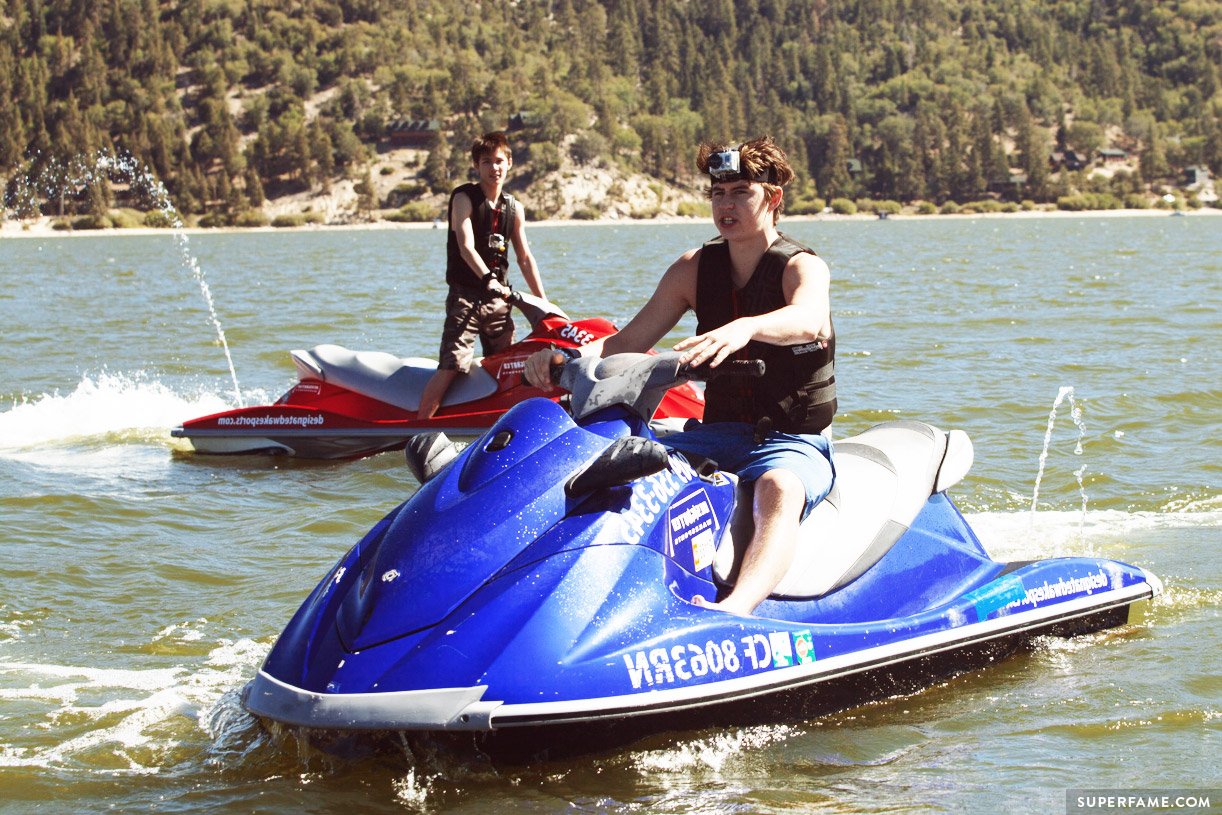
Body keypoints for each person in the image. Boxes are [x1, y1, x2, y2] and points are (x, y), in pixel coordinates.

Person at [524, 136, 836, 616]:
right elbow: (624, 342)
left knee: (779, 487)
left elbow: (810, 318)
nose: (725, 205)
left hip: (791, 438)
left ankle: (738, 607)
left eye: (740, 193)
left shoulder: (802, 267)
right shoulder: (693, 269)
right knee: (614, 465)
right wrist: (561, 357)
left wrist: (747, 327)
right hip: (715, 435)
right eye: (717, 194)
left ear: (772, 198)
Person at [418, 132, 547, 420]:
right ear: (477, 165)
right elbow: (465, 247)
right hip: (465, 298)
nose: (494, 168)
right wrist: (487, 277)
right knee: (452, 365)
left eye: (499, 161)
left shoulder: (514, 208)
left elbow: (524, 258)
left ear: (510, 163)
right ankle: (418, 430)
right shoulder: (464, 198)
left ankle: (499, 424)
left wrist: (543, 303)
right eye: (486, 162)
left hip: (499, 301)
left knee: (509, 366)